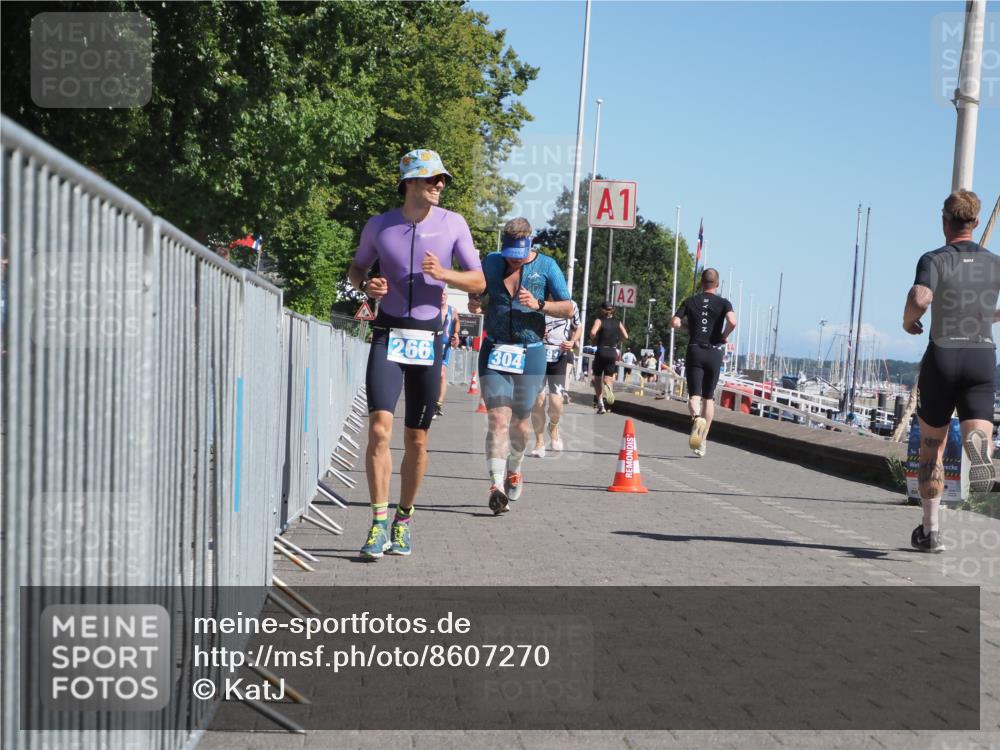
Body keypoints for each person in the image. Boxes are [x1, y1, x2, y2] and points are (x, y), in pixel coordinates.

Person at [347, 149, 485, 559]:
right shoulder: (380, 225)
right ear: (410, 182)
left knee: (417, 440)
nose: (440, 185)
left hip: (427, 337)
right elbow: (356, 269)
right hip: (387, 333)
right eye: (432, 179)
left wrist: (445, 274)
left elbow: (477, 279)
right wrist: (365, 285)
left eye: (442, 180)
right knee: (379, 431)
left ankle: (403, 520)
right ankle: (376, 524)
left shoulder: (453, 224)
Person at [903, 189, 998, 553]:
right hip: (981, 356)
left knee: (933, 449)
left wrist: (909, 321)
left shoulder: (934, 259)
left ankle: (931, 530)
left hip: (943, 356)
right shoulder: (995, 262)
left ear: (945, 221)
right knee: (977, 431)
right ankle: (982, 451)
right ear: (975, 223)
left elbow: (919, 298)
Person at [467, 219, 575, 514]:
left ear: (530, 245)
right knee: (498, 420)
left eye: (519, 252)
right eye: (509, 252)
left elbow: (568, 307)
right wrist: (474, 302)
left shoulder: (547, 266)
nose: (513, 259)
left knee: (521, 423)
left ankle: (515, 467)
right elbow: (476, 290)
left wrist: (540, 305)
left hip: (531, 352)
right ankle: (496, 485)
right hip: (495, 349)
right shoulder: (491, 262)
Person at [671, 268, 737, 457]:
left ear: (701, 283)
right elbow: (732, 321)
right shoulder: (724, 303)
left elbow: (675, 322)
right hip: (714, 352)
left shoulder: (690, 301)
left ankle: (696, 418)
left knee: (694, 397)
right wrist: (723, 336)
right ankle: (703, 442)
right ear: (717, 284)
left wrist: (688, 329)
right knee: (709, 398)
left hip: (695, 350)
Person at [529, 300, 582, 457]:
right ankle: (539, 443)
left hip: (559, 358)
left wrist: (572, 341)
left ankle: (553, 426)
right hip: (538, 356)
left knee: (556, 403)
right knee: (538, 400)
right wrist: (535, 333)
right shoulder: (536, 300)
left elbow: (578, 326)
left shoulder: (571, 305)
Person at [590, 302, 628, 414]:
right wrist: (617, 341)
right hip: (612, 351)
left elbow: (592, 332)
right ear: (612, 310)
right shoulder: (618, 322)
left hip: (601, 350)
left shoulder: (599, 320)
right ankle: (609, 389)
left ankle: (600, 404)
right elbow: (626, 336)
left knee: (597, 378)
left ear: (602, 310)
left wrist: (594, 339)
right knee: (608, 377)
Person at [434, 289, 460, 419]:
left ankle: (438, 404)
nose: (442, 296)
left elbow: (457, 322)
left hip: (445, 346)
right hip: (431, 345)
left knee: (442, 374)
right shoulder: (432, 309)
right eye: (439, 294)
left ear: (447, 296)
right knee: (430, 373)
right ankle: (427, 399)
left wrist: (456, 334)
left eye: (444, 294)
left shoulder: (452, 310)